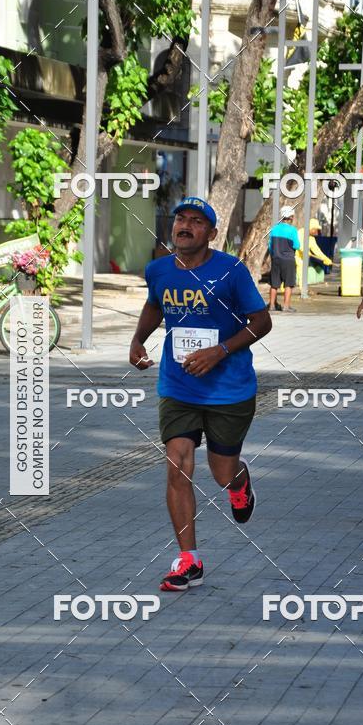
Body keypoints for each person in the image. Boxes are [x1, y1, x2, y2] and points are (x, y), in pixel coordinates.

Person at [129, 197, 272, 592]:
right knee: (177, 464)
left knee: (222, 473)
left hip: (229, 388)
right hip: (179, 385)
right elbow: (154, 306)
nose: (185, 226)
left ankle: (240, 486)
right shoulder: (158, 269)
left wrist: (220, 351)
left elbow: (262, 321)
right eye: (180, 219)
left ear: (211, 233)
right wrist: (138, 339)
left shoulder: (231, 271)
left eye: (196, 221)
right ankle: (188, 560)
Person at [268, 206, 300, 313]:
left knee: (274, 284)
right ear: (291, 217)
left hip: (275, 259)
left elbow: (270, 246)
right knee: (288, 283)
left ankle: (272, 306)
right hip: (288, 260)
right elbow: (297, 245)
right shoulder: (292, 230)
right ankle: (286, 306)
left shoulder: (274, 228)